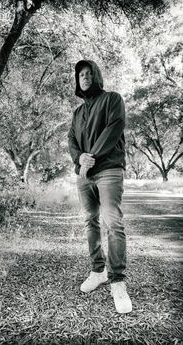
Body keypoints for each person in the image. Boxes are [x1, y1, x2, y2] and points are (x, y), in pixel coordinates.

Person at [68, 60, 132, 314]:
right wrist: (79, 159)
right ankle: (98, 271)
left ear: (97, 75)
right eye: (80, 74)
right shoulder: (77, 113)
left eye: (88, 73)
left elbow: (114, 129)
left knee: (113, 222)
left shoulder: (112, 99)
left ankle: (118, 281)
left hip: (108, 171)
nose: (84, 77)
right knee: (89, 222)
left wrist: (90, 156)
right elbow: (72, 140)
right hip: (84, 174)